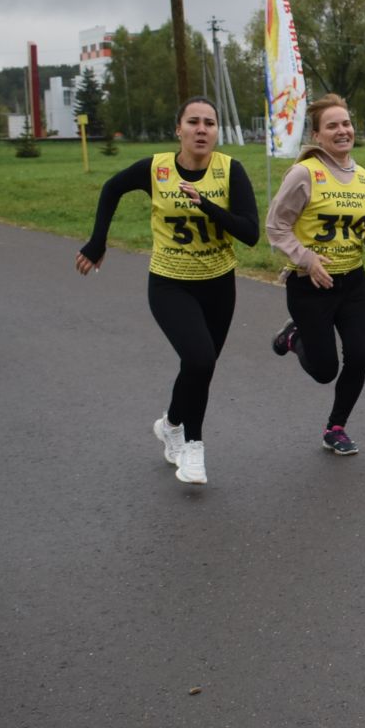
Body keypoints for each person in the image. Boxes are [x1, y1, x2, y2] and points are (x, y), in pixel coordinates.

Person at [75, 96, 260, 486]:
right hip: (169, 282)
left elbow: (250, 233)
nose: (201, 129)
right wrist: (97, 242)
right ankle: (193, 447)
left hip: (218, 284)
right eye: (192, 122)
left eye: (209, 123)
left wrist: (206, 205)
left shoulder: (230, 171)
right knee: (198, 359)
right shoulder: (156, 169)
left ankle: (171, 424)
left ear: (217, 132)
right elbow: (111, 189)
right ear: (179, 130)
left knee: (200, 366)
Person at [266, 95, 365, 456]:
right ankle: (294, 337)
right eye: (333, 126)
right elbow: (275, 227)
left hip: (352, 284)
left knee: (360, 356)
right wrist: (307, 259)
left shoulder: (364, 179)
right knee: (325, 370)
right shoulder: (304, 174)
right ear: (318, 135)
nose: (343, 131)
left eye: (346, 124)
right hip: (309, 287)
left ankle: (335, 427)